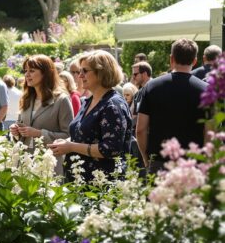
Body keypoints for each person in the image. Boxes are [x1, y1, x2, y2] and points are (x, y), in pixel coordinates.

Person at [49, 51, 133, 182]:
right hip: (80, 181)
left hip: (102, 186)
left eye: (85, 71)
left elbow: (110, 149)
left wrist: (71, 146)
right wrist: (65, 143)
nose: (80, 76)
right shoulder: (88, 101)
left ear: (101, 73)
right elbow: (83, 134)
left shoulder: (113, 105)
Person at [136, 39, 208, 174]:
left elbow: (140, 129)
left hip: (159, 162)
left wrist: (147, 159)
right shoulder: (206, 91)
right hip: (192, 164)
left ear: (171, 59)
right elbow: (209, 132)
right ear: (194, 61)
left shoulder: (151, 87)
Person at [9, 55, 73, 176]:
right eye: (26, 71)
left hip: (48, 166)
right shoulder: (26, 98)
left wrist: (39, 133)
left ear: (46, 74)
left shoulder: (61, 100)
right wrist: (15, 131)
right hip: (24, 164)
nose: (27, 74)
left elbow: (69, 136)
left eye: (32, 71)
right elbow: (23, 130)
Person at [130, 60, 152, 127]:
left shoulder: (156, 89)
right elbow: (134, 116)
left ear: (144, 74)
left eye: (135, 74)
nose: (133, 77)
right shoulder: (138, 94)